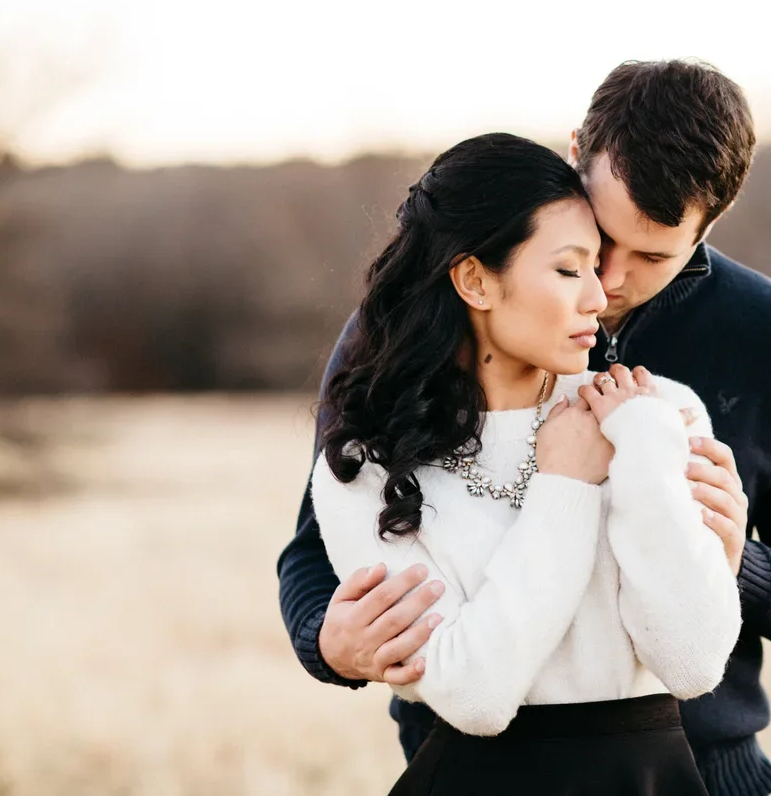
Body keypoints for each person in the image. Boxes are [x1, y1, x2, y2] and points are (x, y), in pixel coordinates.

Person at [279, 59, 771, 796]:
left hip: (709, 773)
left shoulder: (769, 338)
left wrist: (732, 557)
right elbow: (319, 542)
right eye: (594, 244)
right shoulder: (401, 345)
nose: (612, 283)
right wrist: (327, 644)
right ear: (575, 156)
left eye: (653, 253)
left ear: (711, 223)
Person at [312, 132, 740, 794]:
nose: (599, 299)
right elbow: (476, 696)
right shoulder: (366, 465)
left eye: (596, 269)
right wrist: (565, 484)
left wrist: (647, 456)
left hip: (647, 779)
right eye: (570, 270)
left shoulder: (654, 417)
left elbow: (693, 663)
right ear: (476, 280)